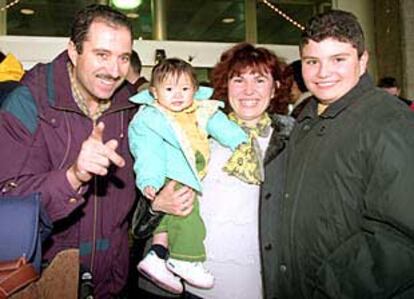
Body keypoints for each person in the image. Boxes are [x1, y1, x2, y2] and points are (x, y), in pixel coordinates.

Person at [272, 10, 414, 298]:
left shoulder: (390, 122)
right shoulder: (306, 119)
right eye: (313, 61)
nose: (323, 73)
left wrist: (330, 289)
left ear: (362, 61)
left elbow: (400, 236)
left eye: (338, 59)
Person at [137, 43, 294, 299]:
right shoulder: (197, 132)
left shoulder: (292, 143)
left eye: (260, 80)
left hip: (259, 285)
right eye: (238, 79)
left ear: (275, 87)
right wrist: (156, 205)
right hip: (191, 285)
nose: (248, 90)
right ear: (226, 85)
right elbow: (142, 214)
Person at [0, 5, 136, 298]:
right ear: (74, 52)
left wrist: (157, 202)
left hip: (112, 283)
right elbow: (5, 196)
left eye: (123, 58)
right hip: (45, 283)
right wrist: (72, 176)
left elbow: (132, 202)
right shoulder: (28, 102)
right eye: (102, 55)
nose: (114, 71)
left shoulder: (132, 108)